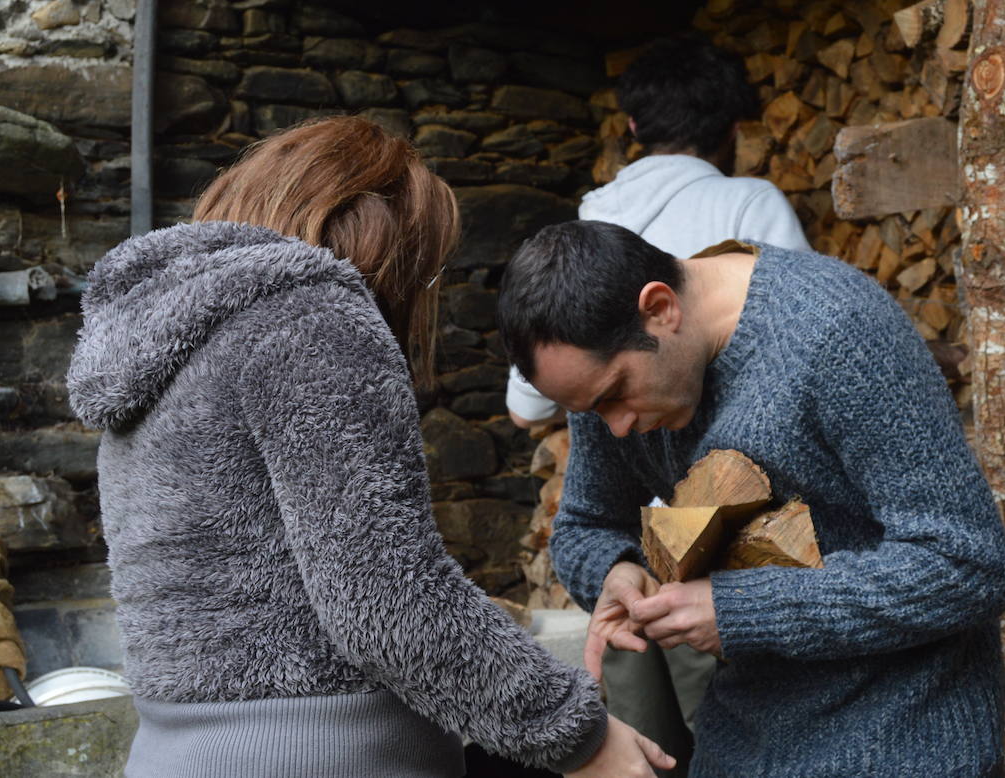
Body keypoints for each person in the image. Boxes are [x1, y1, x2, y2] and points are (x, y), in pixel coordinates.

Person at [67, 117, 674, 778]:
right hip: (324, 756)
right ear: (381, 239)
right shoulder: (311, 318)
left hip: (168, 752)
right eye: (426, 273)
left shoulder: (165, 343)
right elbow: (387, 598)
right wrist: (578, 736)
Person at [496, 220, 1005, 778]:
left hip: (905, 743)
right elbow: (584, 524)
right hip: (740, 744)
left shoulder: (837, 331)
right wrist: (616, 573)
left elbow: (969, 564)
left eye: (615, 396)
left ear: (660, 308)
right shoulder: (608, 377)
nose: (616, 428)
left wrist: (740, 610)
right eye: (590, 411)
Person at [506, 36, 808, 430]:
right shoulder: (750, 202)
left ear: (633, 126)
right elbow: (803, 341)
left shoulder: (586, 222)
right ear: (734, 130)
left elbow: (524, 411)